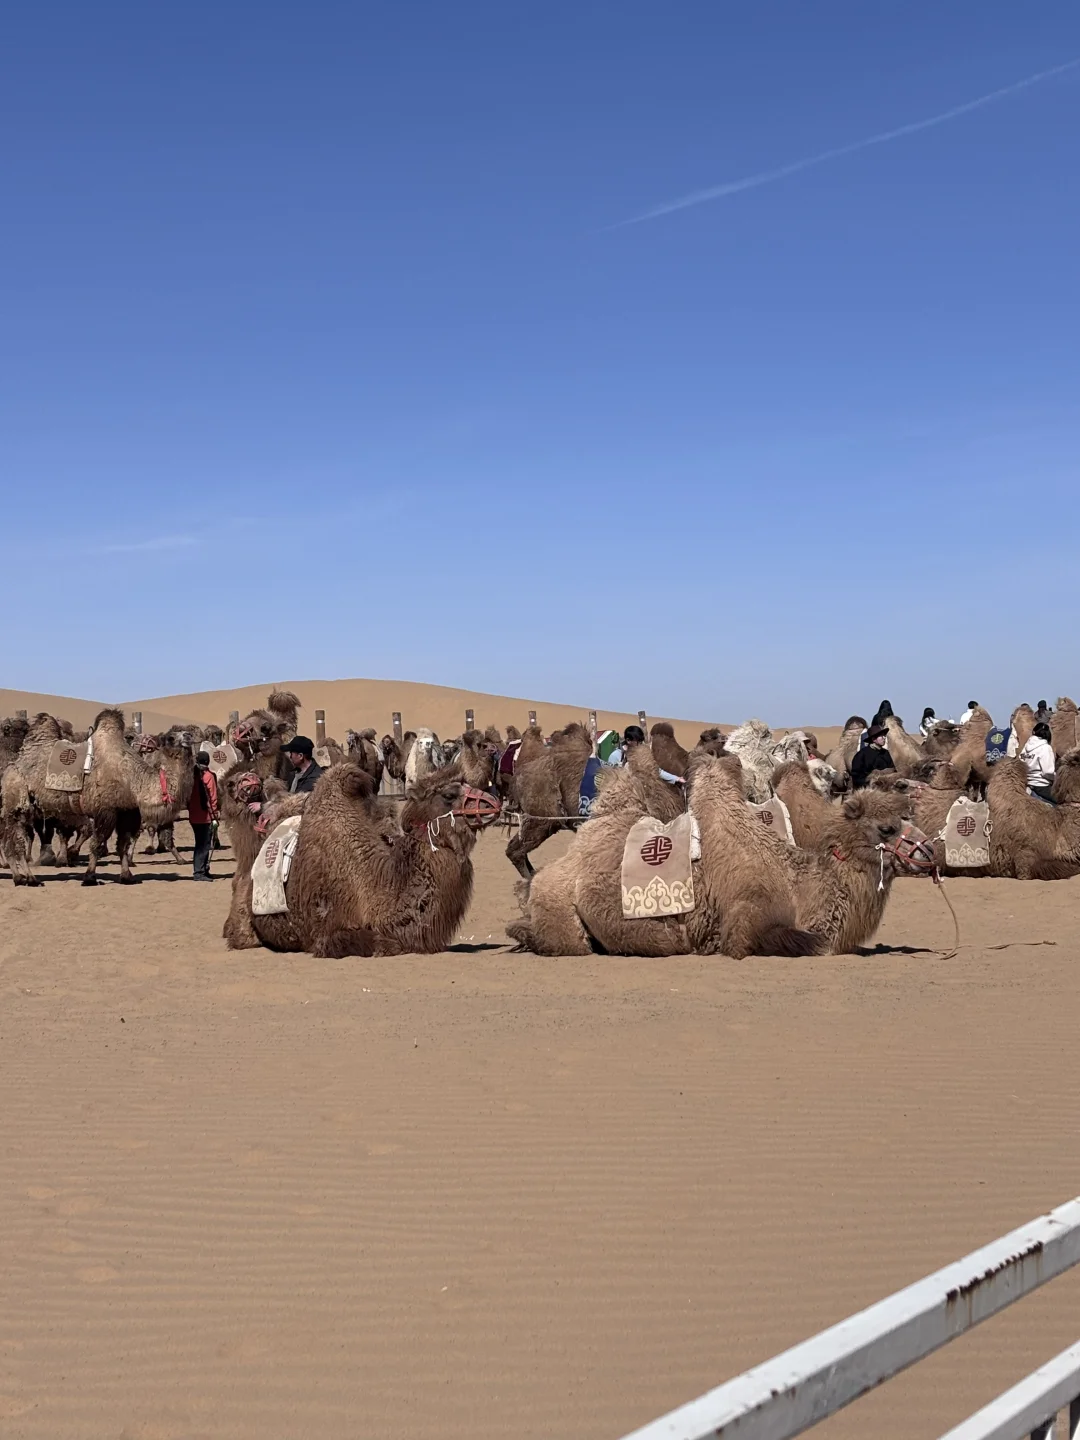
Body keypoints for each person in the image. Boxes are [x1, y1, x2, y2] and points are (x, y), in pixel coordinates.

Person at [188, 750, 219, 880]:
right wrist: (215, 816)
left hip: (193, 816)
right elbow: (213, 798)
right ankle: (199, 872)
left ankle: (203, 869)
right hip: (206, 816)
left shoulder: (191, 777)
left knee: (200, 843)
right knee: (204, 844)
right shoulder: (208, 776)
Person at [850, 724, 895, 790]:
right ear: (874, 739)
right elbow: (856, 776)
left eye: (884, 735)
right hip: (867, 792)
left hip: (886, 789)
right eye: (881, 736)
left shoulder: (886, 753)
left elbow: (893, 770)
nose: (884, 737)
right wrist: (870, 782)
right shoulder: (862, 755)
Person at [1020, 721, 1056, 803]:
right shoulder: (1046, 748)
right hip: (1041, 786)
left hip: (1028, 784)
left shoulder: (1026, 747)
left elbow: (1020, 762)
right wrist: (1057, 778)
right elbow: (1047, 772)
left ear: (1034, 732)